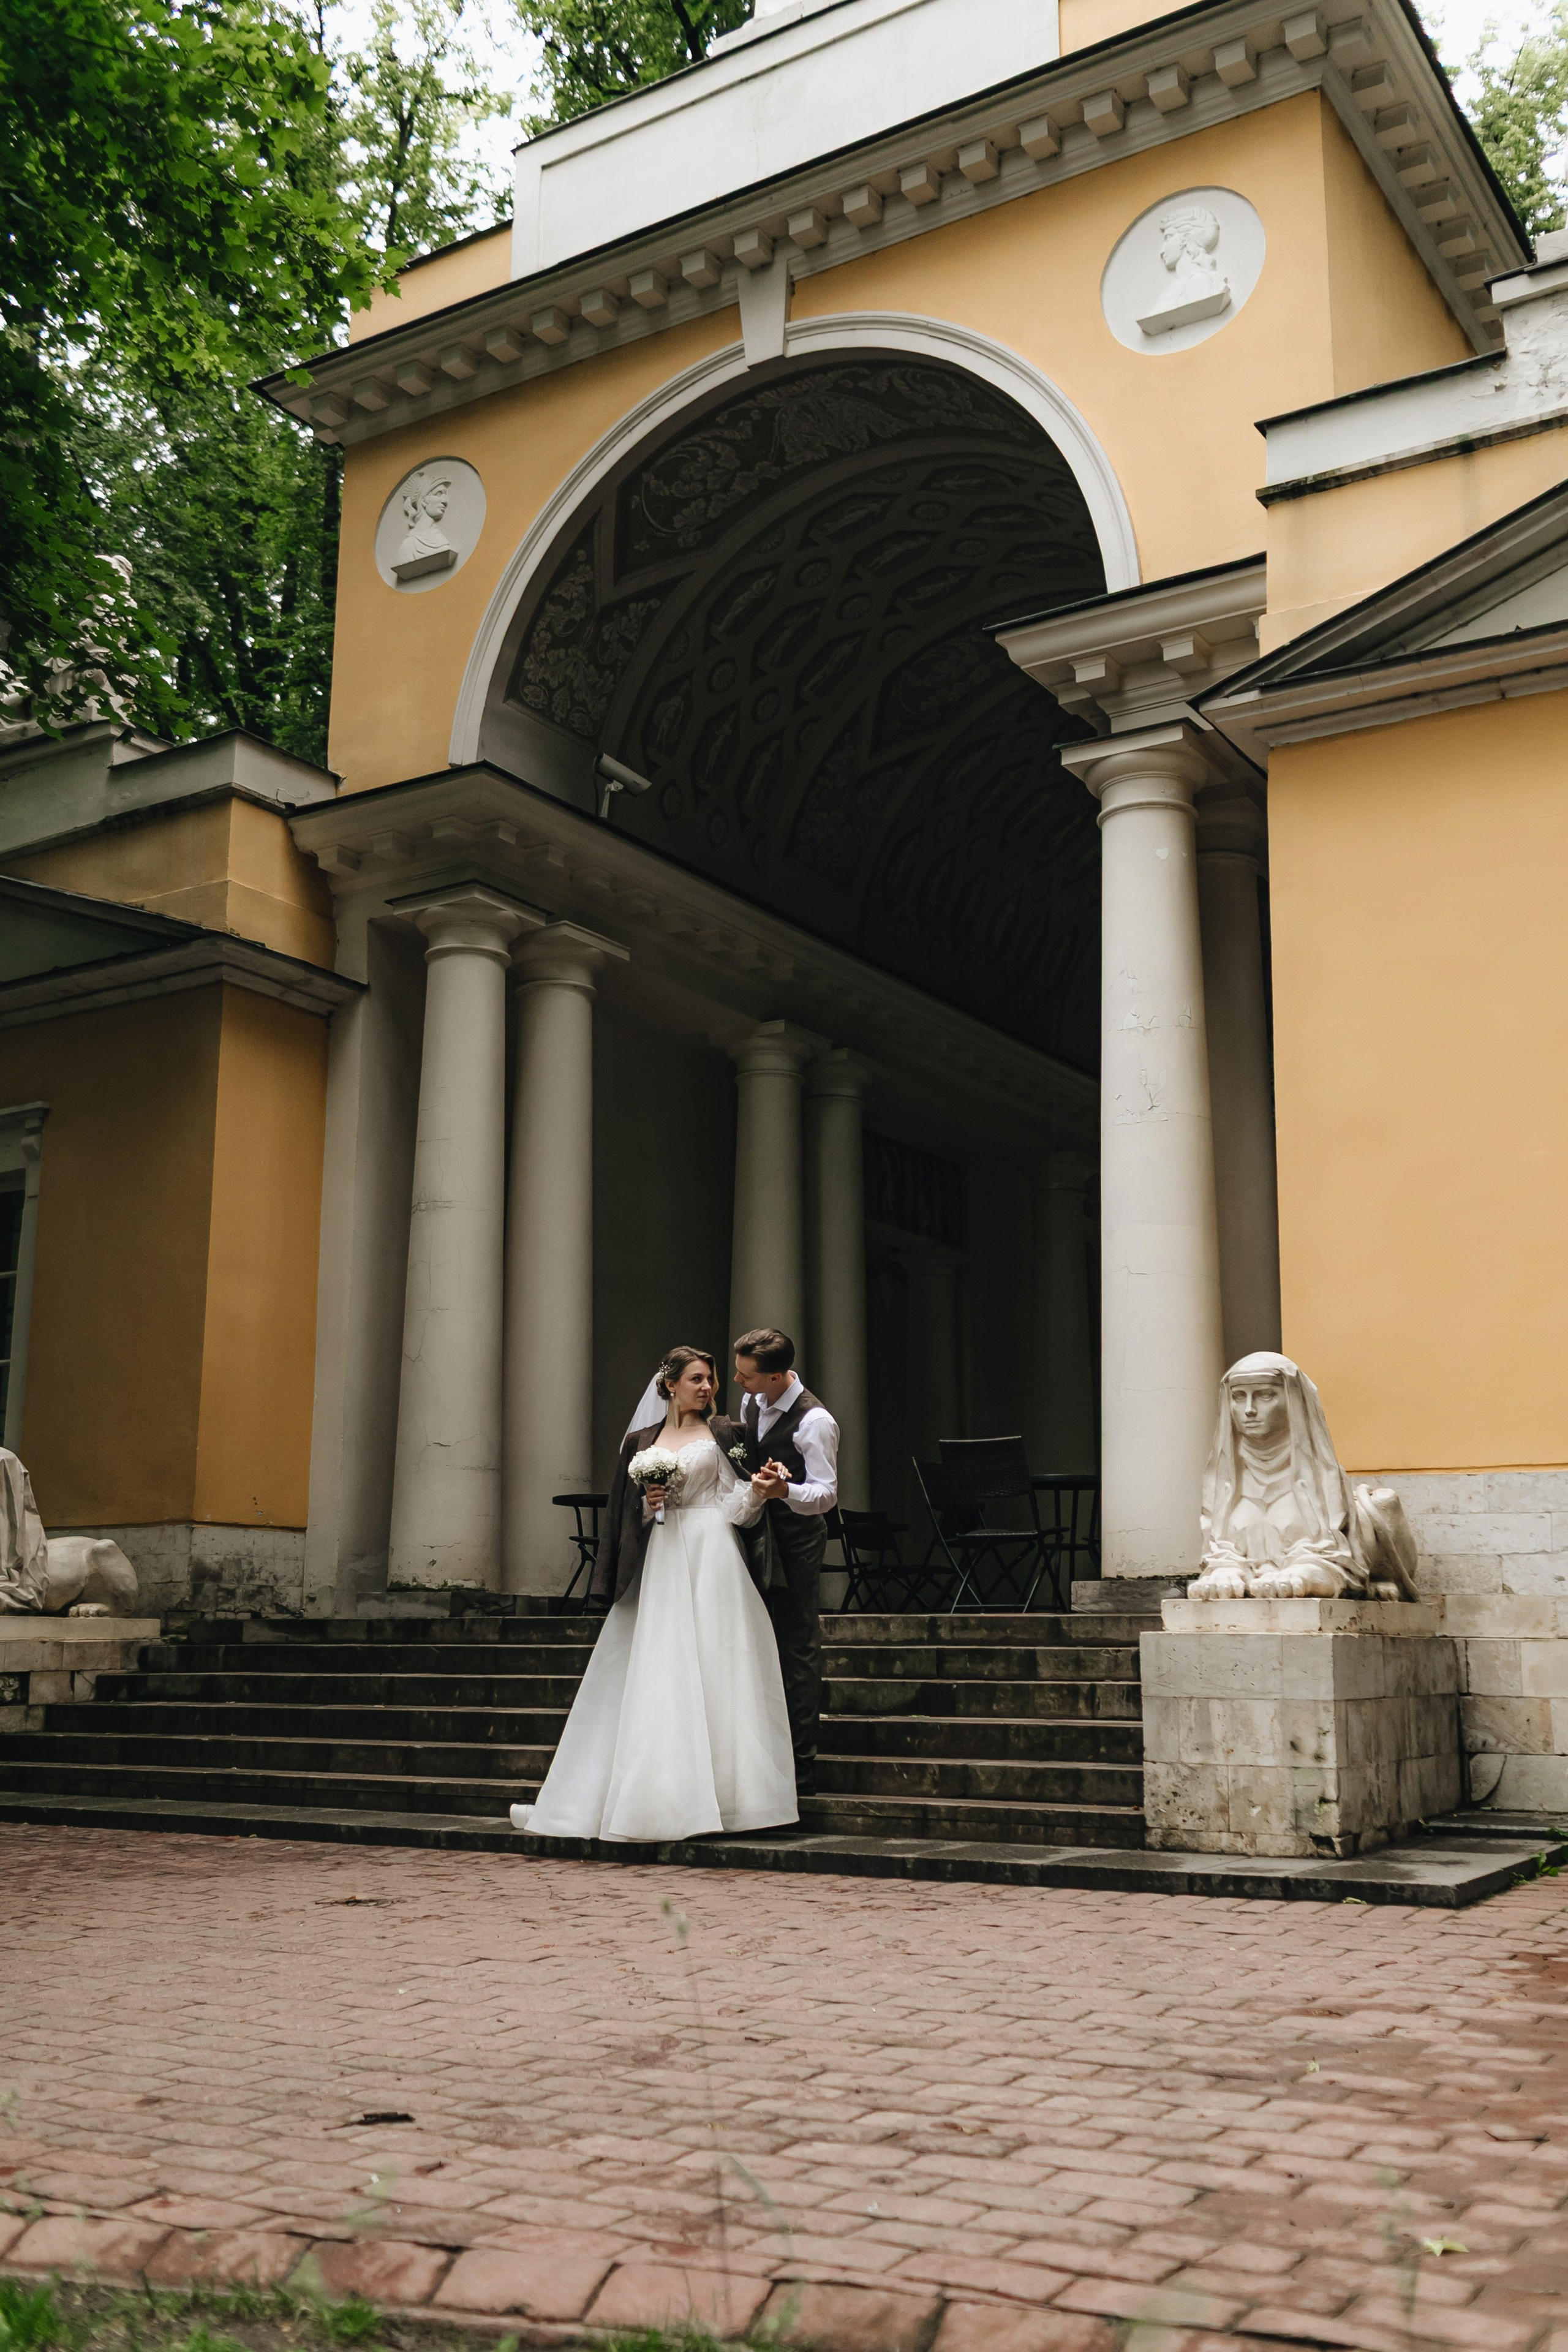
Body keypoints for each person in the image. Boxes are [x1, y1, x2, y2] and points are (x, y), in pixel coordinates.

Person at [510, 1344, 797, 1842]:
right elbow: (623, 1515)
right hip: (662, 1559)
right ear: (669, 1386)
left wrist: (759, 1488)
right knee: (660, 1667)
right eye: (696, 1379)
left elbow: (738, 1507)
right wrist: (649, 1504)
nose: (707, 1387)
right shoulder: (641, 1442)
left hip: (713, 1556)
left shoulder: (728, 1434)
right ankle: (659, 1797)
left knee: (719, 1665)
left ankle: (730, 1802)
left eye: (710, 1379)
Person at [714, 1327, 838, 1798]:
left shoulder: (814, 1421)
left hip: (799, 1538)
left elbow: (826, 1495)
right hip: (756, 1531)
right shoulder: (753, 1403)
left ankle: (801, 1766)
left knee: (797, 1644)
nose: (738, 1382)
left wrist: (784, 1490)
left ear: (777, 1376)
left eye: (746, 1376)